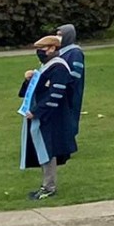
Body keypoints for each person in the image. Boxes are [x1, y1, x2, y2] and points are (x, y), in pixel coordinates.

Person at [18, 35, 75, 201]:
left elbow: (56, 94)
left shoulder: (59, 67)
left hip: (51, 116)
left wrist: (37, 111)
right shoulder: (46, 66)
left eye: (43, 48)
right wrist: (28, 79)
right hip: (43, 115)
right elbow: (36, 89)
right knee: (42, 149)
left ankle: (49, 186)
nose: (40, 52)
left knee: (47, 150)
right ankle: (46, 185)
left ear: (52, 48)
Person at [55, 23, 85, 156]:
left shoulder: (75, 52)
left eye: (60, 35)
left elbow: (76, 74)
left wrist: (61, 79)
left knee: (70, 116)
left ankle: (68, 146)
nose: (58, 37)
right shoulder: (60, 51)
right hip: (62, 89)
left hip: (71, 91)